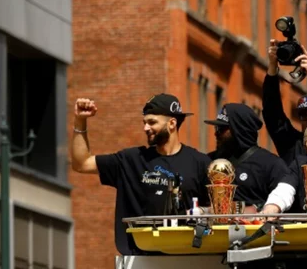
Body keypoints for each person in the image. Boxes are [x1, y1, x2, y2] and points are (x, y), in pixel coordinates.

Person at [70, 94, 212, 255]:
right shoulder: (132, 159)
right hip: (140, 259)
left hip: (189, 257)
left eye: (152, 122)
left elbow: (218, 210)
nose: (145, 128)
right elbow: (81, 164)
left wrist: (201, 212)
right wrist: (80, 120)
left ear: (172, 123)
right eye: (144, 122)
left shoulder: (199, 163)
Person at [204, 103, 291, 212]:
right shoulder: (209, 162)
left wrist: (254, 209)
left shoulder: (271, 165)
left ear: (239, 130)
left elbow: (285, 203)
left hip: (254, 227)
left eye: (221, 129)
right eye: (216, 128)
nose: (216, 134)